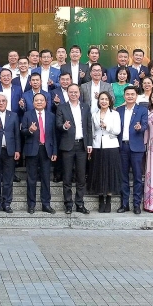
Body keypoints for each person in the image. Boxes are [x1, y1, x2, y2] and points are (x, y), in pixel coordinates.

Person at [56, 83, 92, 215]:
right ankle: (68, 204)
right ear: (67, 93)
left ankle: (80, 203)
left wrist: (89, 144)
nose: (73, 94)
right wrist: (64, 126)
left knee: (81, 177)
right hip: (67, 146)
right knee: (67, 176)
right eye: (71, 92)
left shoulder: (85, 107)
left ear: (79, 93)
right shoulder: (62, 107)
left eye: (76, 92)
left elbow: (88, 126)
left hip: (82, 145)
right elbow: (58, 125)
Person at [21, 91, 57, 214]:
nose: (39, 102)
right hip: (32, 150)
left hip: (46, 150)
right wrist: (30, 130)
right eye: (37, 100)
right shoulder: (27, 114)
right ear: (33, 103)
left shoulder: (51, 116)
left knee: (46, 179)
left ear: (46, 102)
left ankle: (46, 204)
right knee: (31, 179)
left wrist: (54, 151)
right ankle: (31, 205)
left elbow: (54, 135)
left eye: (42, 100)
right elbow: (22, 132)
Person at [115, 86, 149, 214]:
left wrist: (140, 127)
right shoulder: (119, 110)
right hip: (122, 146)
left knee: (137, 177)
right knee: (123, 177)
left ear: (136, 96)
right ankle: (124, 204)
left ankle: (136, 204)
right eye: (127, 94)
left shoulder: (142, 110)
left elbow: (145, 125)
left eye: (132, 94)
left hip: (136, 147)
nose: (130, 96)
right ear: (124, 96)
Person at [89, 91, 122, 213]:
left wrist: (107, 126)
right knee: (99, 172)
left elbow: (117, 131)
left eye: (106, 99)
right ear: (98, 101)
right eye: (101, 99)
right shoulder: (94, 114)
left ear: (110, 101)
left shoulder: (115, 114)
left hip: (111, 145)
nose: (104, 101)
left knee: (109, 173)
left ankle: (108, 199)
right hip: (97, 146)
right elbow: (92, 131)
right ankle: (100, 199)